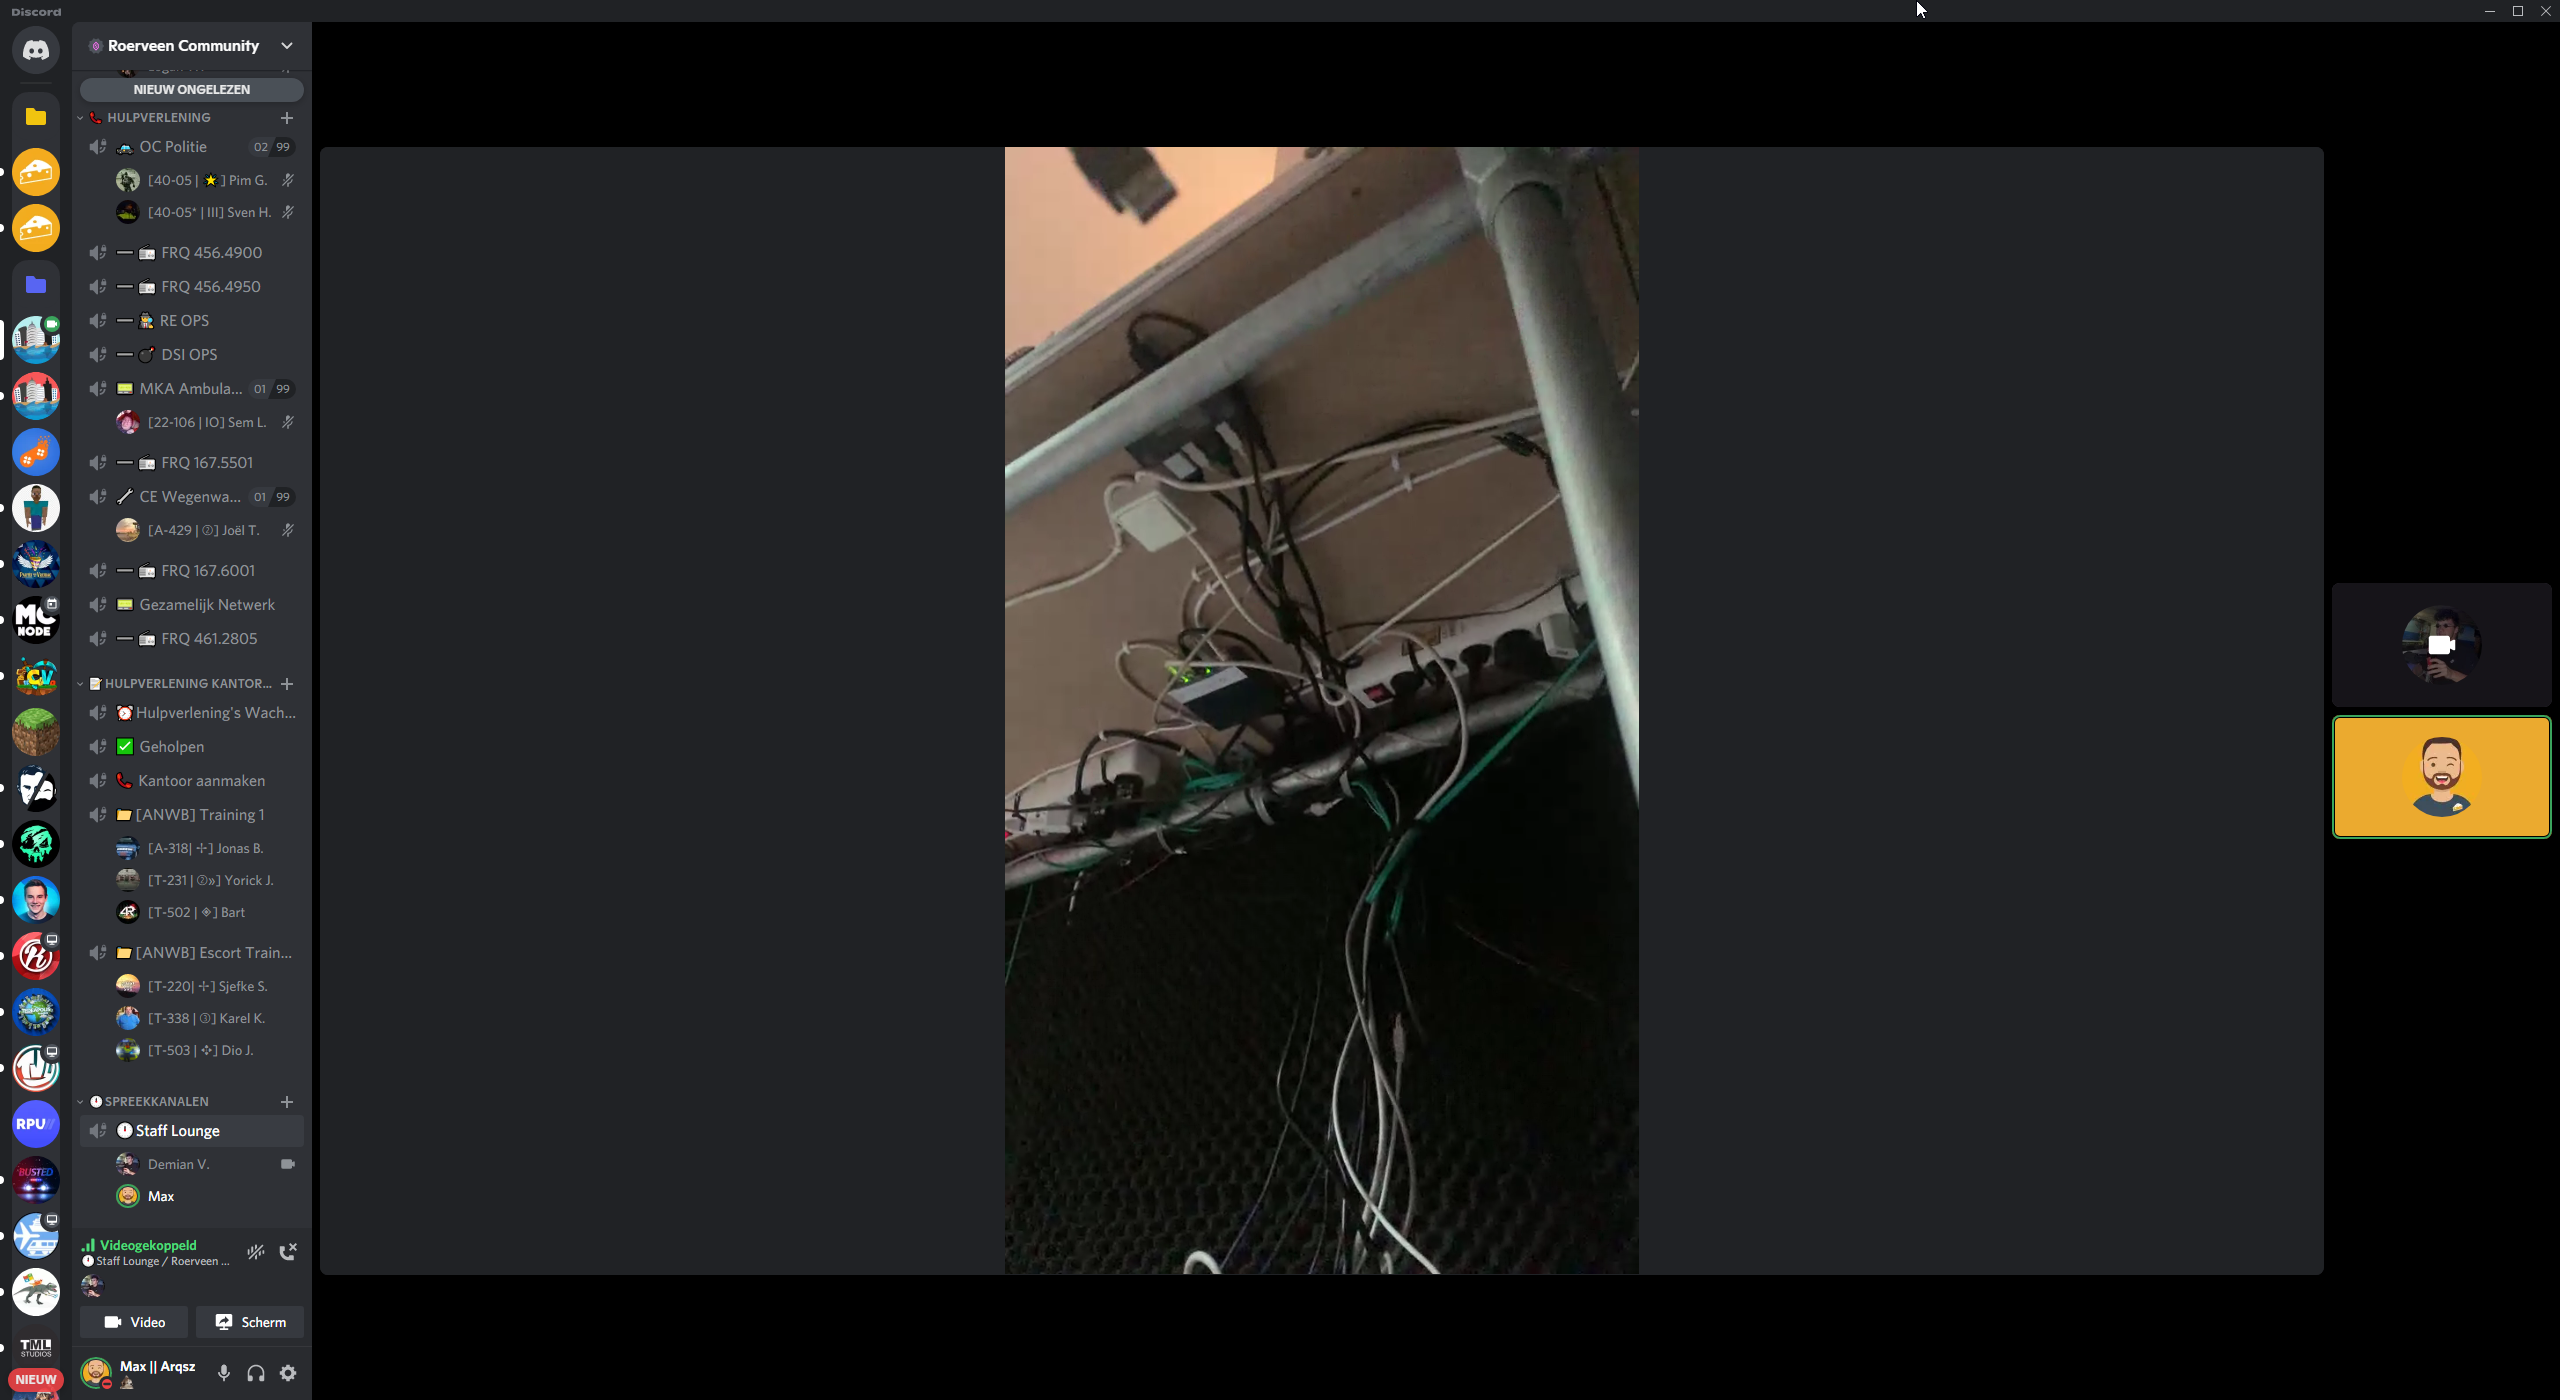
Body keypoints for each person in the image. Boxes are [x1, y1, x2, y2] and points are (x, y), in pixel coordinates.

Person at [2408, 609, 2478, 684]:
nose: (2440, 630)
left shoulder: (2467, 651)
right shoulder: (2437, 646)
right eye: (2438, 626)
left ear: (2456, 629)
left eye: (2445, 625)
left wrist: (2451, 674)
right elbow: (2423, 664)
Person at [2414, 737, 2469, 818]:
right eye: (2433, 764)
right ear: (2422, 766)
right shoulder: (2419, 805)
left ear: (2461, 766)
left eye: (2450, 764)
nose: (2441, 770)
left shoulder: (2464, 805)